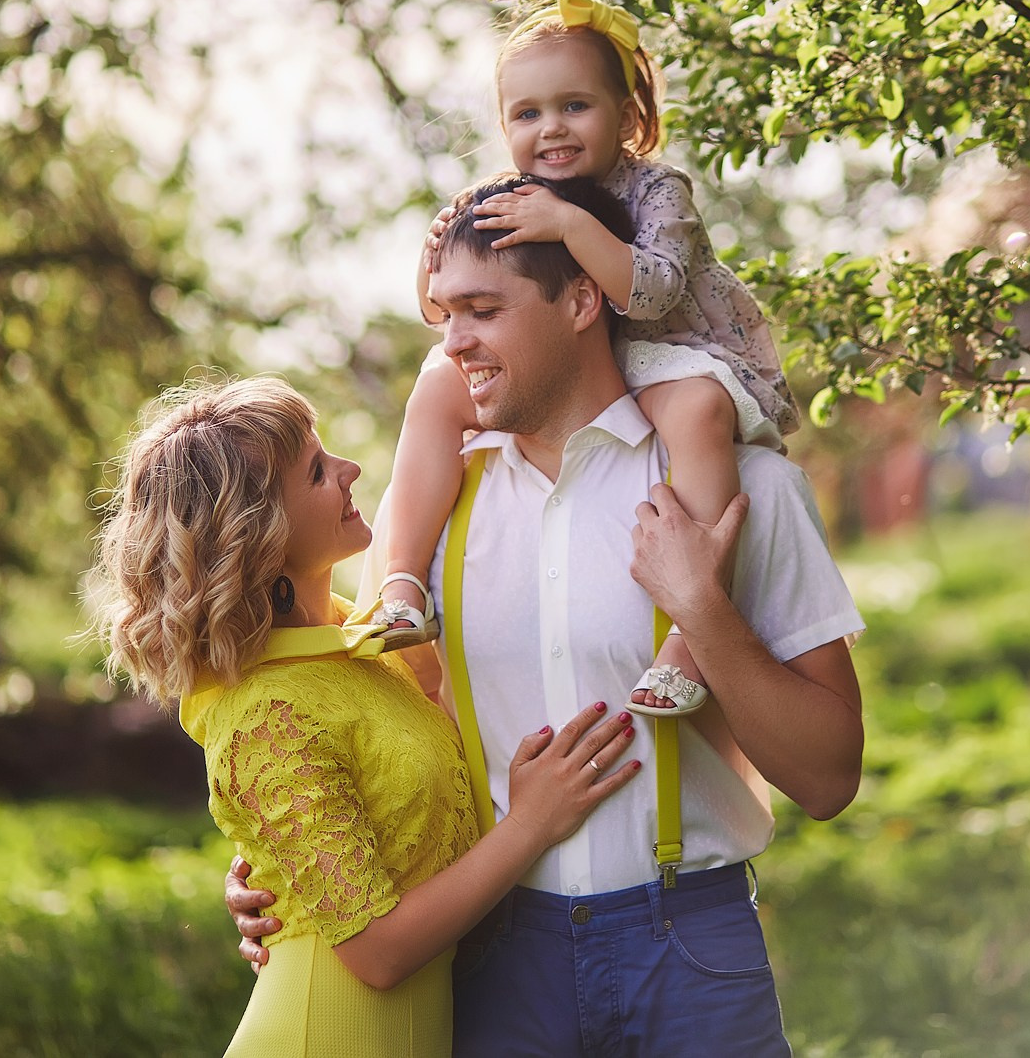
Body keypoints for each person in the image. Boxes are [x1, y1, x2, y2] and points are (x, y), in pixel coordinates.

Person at [229, 177, 865, 1056]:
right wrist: (292, 872)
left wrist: (703, 614)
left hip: (692, 945)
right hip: (496, 954)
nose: (454, 343)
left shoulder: (743, 489)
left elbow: (831, 778)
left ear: (580, 299)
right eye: (445, 313)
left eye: (483, 310)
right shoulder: (432, 523)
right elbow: (376, 738)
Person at [84, 377, 643, 1058]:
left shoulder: (356, 636)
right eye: (317, 471)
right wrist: (530, 822)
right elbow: (378, 952)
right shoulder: (265, 712)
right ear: (264, 535)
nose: (349, 471)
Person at [369, 0, 800, 719]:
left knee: (697, 411)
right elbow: (438, 304)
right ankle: (402, 581)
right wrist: (436, 248)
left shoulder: (658, 190)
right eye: (527, 113)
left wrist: (569, 226)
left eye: (576, 105)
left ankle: (689, 638)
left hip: (668, 347)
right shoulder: (505, 193)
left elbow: (657, 293)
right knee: (438, 380)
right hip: (578, 357)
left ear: (630, 115)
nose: (552, 129)